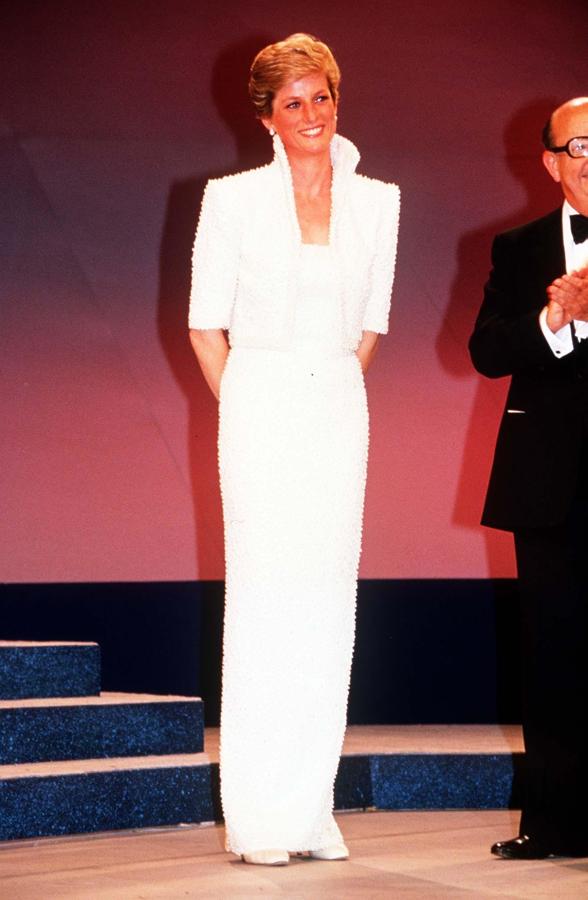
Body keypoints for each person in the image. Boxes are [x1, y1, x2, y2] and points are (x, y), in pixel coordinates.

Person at [188, 34, 400, 866]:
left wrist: (331, 392)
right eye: (294, 103)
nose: (312, 115)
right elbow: (206, 325)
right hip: (259, 403)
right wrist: (250, 402)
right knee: (267, 606)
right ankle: (260, 816)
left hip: (338, 408)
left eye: (322, 97)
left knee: (325, 608)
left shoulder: (379, 201)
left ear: (337, 99)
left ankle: (311, 809)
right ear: (266, 117)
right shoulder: (231, 199)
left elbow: (373, 325)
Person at [469, 97, 588, 860]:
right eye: (582, 145)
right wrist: (556, 321)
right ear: (551, 162)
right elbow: (485, 351)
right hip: (553, 486)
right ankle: (555, 824)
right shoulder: (518, 248)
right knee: (556, 657)